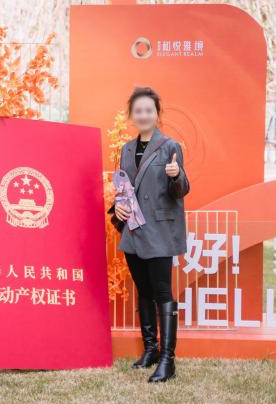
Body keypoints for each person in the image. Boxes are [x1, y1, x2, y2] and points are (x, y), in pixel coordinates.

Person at [113, 86, 190, 382]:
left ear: (157, 114)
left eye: (149, 110)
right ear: (131, 115)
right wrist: (118, 207)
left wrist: (176, 175)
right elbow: (124, 188)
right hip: (133, 231)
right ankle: (151, 350)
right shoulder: (126, 149)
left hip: (159, 231)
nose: (143, 115)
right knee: (143, 291)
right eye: (138, 111)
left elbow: (181, 190)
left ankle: (168, 360)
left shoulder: (170, 147)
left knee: (162, 292)